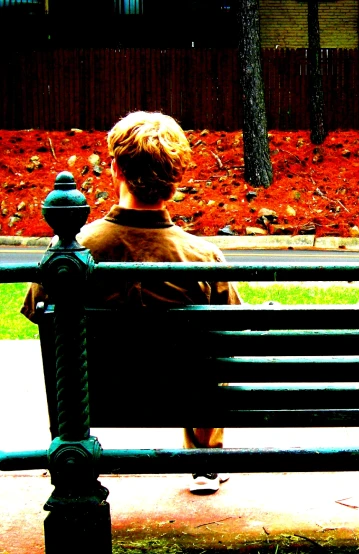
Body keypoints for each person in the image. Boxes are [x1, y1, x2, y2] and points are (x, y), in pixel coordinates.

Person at [22, 111, 241, 495]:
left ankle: (72, 454)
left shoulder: (73, 252)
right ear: (175, 179)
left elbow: (38, 312)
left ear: (114, 169)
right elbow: (234, 329)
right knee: (207, 354)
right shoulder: (201, 257)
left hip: (99, 396)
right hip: (181, 394)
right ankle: (204, 459)